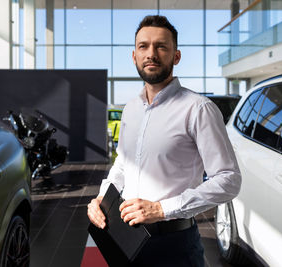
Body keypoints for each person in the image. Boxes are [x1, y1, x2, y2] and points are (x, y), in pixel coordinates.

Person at [87, 15, 241, 266]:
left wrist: (160, 210)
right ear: (134, 56)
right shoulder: (131, 109)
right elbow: (122, 166)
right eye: (143, 46)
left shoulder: (199, 109)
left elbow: (229, 180)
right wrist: (102, 201)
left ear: (176, 56)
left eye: (161, 46)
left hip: (174, 244)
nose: (151, 53)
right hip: (123, 235)